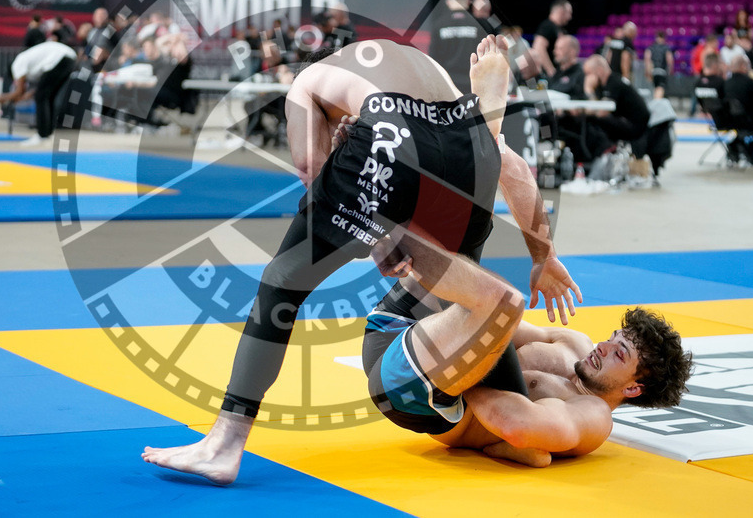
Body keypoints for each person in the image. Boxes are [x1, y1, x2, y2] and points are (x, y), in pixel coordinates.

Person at [143, 36, 581, 484]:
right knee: (461, 299)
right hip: (472, 142)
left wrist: (375, 232)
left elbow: (310, 171)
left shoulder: (308, 81)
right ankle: (517, 412)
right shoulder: (412, 64)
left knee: (283, 278)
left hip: (392, 134)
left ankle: (224, 444)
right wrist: (543, 259)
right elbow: (517, 172)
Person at [362, 230, 692, 467]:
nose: (603, 347)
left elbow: (517, 426)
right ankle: (377, 208)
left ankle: (372, 215)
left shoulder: (594, 415)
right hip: (391, 330)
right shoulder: (574, 344)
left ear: (633, 387)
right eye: (613, 338)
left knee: (500, 302)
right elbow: (495, 324)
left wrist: (469, 376)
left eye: (619, 354)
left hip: (415, 393)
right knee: (469, 226)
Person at [0, 39, 77, 147]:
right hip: (69, 58)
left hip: (59, 57)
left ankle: (41, 135)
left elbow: (19, 91)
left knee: (42, 97)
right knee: (48, 97)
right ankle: (47, 134)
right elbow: (31, 93)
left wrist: (3, 97)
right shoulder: (33, 67)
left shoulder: (17, 64)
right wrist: (18, 98)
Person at [582, 55, 650, 146]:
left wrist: (589, 90)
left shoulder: (614, 82)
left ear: (599, 70)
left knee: (594, 120)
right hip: (625, 122)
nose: (587, 79)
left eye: (589, 74)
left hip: (635, 127)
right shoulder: (604, 84)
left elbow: (602, 112)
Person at [530, 0, 573, 77]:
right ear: (561, 11)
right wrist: (550, 71)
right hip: (546, 76)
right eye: (569, 13)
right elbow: (538, 47)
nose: (570, 17)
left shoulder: (558, 28)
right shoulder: (547, 26)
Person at [645, 30, 674, 99]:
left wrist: (648, 72)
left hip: (653, 71)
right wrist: (670, 71)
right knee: (660, 88)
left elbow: (647, 59)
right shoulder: (666, 47)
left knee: (655, 87)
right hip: (662, 71)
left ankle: (656, 100)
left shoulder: (651, 47)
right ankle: (657, 102)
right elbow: (670, 60)